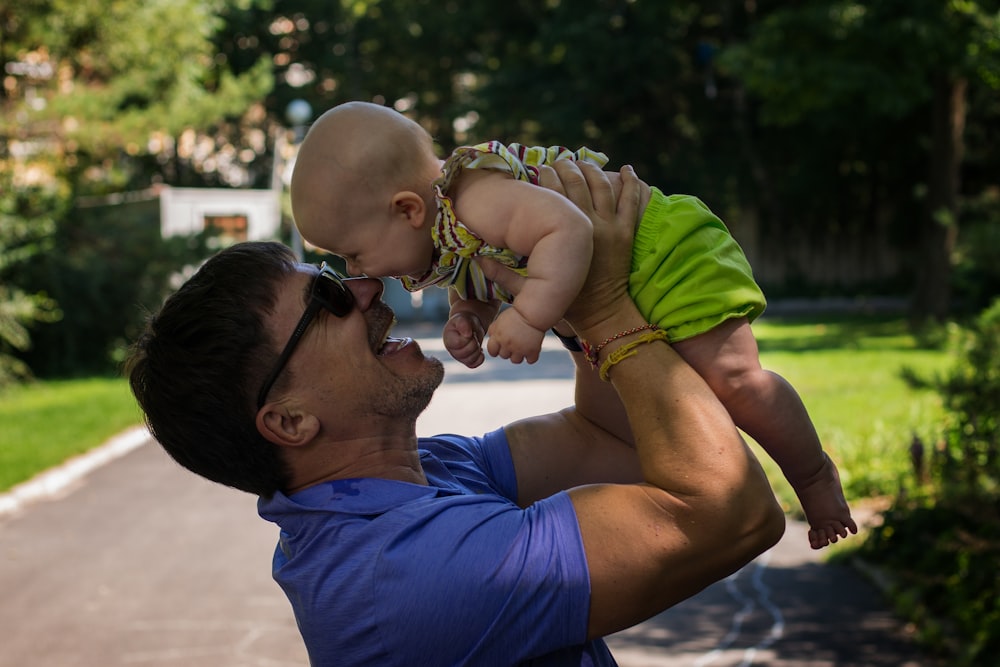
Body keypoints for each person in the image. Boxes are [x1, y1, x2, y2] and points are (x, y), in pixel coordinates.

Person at [127, 159, 785, 666]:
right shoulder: (406, 577)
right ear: (290, 419)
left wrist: (559, 279)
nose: (365, 284)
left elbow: (608, 437)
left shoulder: (413, 480)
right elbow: (735, 514)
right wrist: (608, 305)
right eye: (326, 295)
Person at [290, 101, 857, 549]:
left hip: (662, 254)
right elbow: (487, 274)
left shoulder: (475, 198)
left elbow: (567, 231)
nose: (355, 272)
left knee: (732, 381)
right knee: (635, 421)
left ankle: (812, 476)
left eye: (354, 254)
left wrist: (532, 314)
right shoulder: (447, 235)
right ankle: (718, 473)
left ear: (408, 209)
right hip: (629, 271)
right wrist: (471, 314)